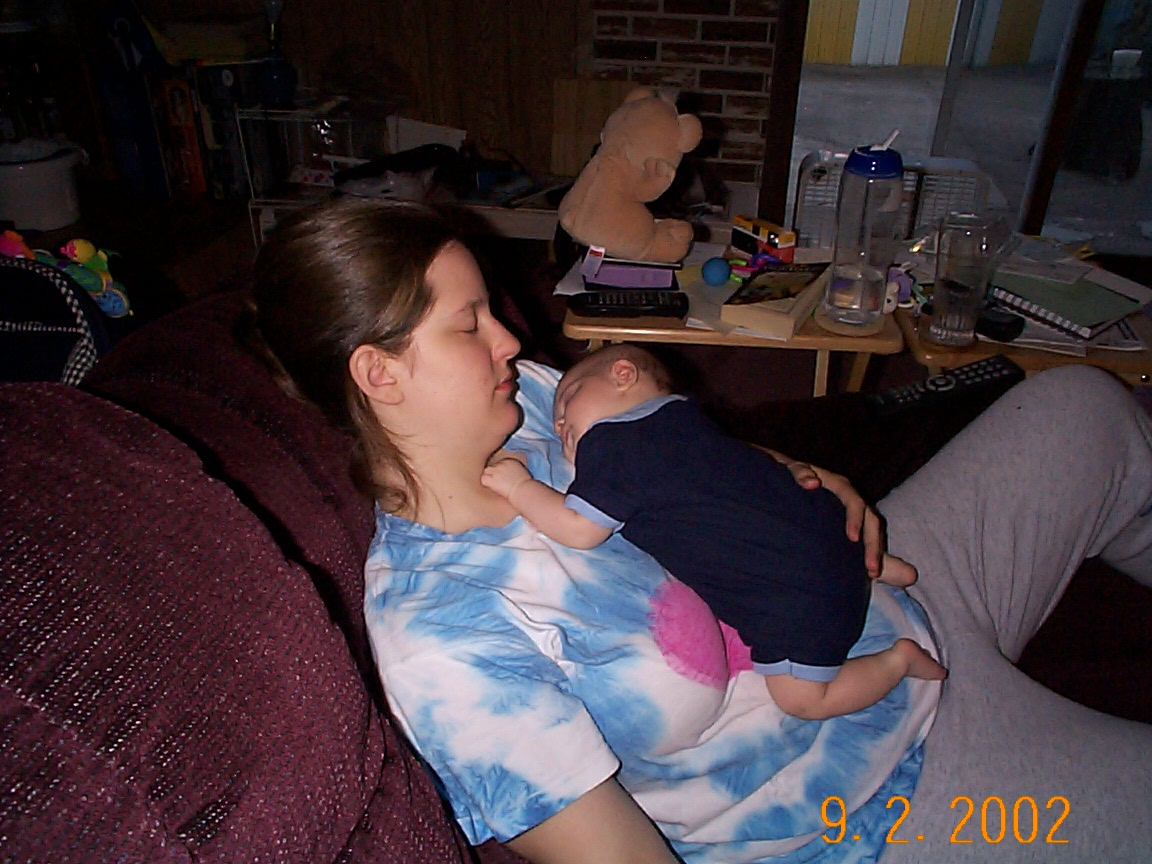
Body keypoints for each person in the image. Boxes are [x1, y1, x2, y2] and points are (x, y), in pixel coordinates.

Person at [250, 196, 1152, 864]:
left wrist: (791, 473)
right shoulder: (442, 640)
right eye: (469, 325)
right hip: (872, 786)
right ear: (379, 374)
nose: (509, 340)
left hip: (874, 583)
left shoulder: (519, 401)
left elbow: (669, 445)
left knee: (1085, 404)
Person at [480, 343, 946, 720]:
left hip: (796, 598)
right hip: (825, 527)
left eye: (567, 402)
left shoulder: (613, 443)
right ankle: (882, 569)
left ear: (623, 375)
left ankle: (897, 660)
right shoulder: (686, 418)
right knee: (781, 522)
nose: (560, 424)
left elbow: (579, 529)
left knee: (802, 700)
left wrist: (519, 486)